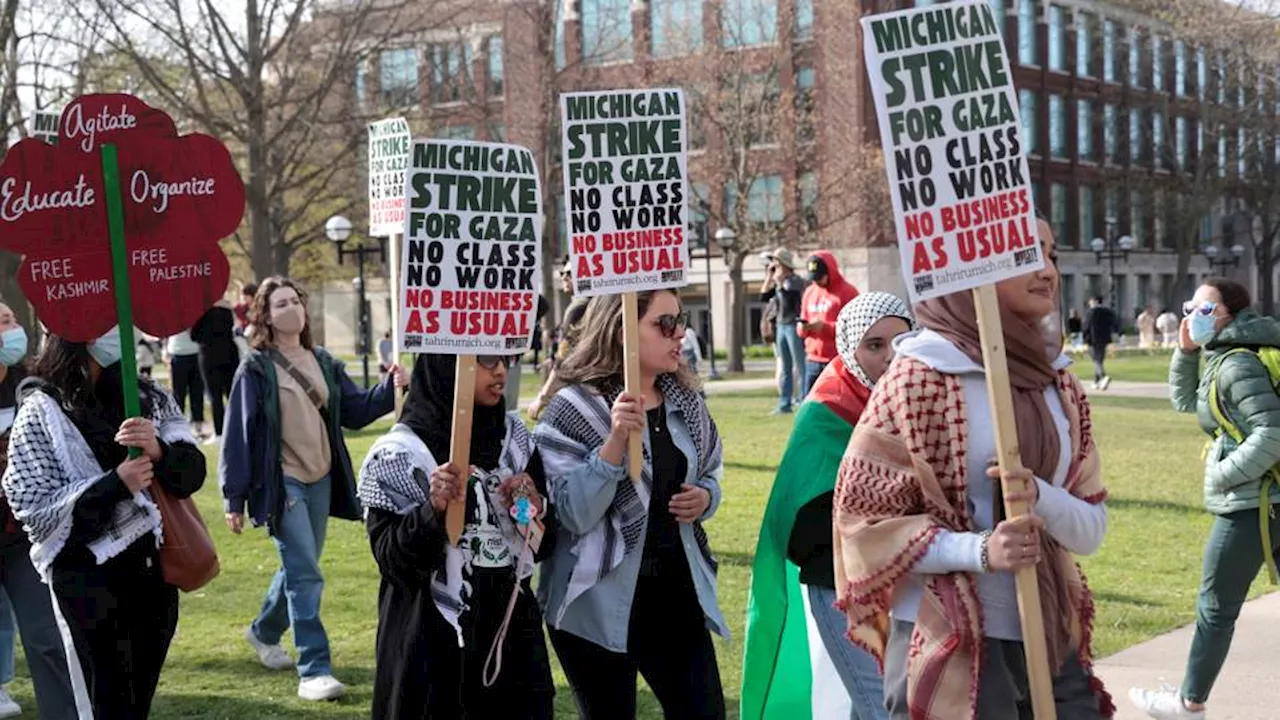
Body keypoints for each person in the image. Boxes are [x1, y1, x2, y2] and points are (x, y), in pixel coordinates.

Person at [834, 220, 1115, 719]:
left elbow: (1090, 530)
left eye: (1051, 255)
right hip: (949, 645)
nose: (1048, 272)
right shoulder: (919, 377)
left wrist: (1039, 497)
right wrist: (981, 550)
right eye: (1028, 255)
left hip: (1049, 636)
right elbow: (863, 528)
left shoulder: (1059, 383)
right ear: (973, 267)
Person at [533, 290, 728, 719]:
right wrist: (616, 443)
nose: (680, 333)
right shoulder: (572, 409)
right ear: (621, 330)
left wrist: (706, 497)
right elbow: (572, 513)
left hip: (676, 595)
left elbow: (711, 467)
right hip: (594, 601)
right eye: (664, 324)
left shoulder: (686, 401)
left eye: (681, 320)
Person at [219, 277, 407, 702]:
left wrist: (392, 387)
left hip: (321, 476)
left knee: (299, 566)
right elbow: (238, 435)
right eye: (281, 303)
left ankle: (263, 631)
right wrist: (234, 497)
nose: (292, 309)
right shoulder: (256, 367)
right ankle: (314, 668)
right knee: (305, 572)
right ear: (266, 315)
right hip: (281, 479)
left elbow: (356, 411)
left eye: (296, 301)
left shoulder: (322, 360)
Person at [3, 326, 206, 718]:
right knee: (104, 703)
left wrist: (160, 450)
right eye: (109, 325)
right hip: (87, 583)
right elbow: (34, 507)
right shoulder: (41, 410)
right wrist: (116, 484)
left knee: (136, 702)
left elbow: (190, 476)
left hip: (151, 579)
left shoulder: (149, 396)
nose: (121, 334)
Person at [743, 292, 914, 720]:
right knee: (885, 706)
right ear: (850, 351)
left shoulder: (917, 399)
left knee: (875, 704)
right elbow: (803, 527)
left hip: (909, 585)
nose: (891, 356)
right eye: (874, 345)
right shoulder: (826, 414)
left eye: (902, 343)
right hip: (842, 587)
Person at [359, 353, 557, 718]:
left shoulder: (514, 442)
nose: (500, 370)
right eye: (485, 359)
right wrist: (433, 510)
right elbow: (392, 560)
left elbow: (539, 544)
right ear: (447, 365)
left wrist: (529, 505)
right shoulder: (399, 455)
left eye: (506, 358)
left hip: (509, 642)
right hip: (431, 652)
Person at [1129, 278, 1280, 720]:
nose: (1194, 313)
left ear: (1230, 315)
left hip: (1252, 504)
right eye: (1191, 306)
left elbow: (1272, 433)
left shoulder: (1236, 364)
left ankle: (1188, 702)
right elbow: (1183, 400)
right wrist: (1187, 350)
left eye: (1204, 308)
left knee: (1215, 607)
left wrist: (1223, 477)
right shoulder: (1225, 354)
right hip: (1266, 498)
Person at [0, 305, 77, 720]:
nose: (10, 331)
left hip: (20, 535)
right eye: (0, 324)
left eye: (10, 321)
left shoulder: (34, 386)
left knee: (46, 635)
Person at [528, 268, 590, 420]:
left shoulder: (578, 308)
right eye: (562, 273)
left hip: (579, 388)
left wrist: (543, 397)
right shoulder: (599, 303)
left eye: (569, 272)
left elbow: (564, 356)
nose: (564, 277)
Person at [799, 251, 859, 394]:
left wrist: (825, 327)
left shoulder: (848, 292)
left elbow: (854, 328)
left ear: (830, 272)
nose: (816, 282)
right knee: (809, 406)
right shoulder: (809, 292)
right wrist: (803, 327)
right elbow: (801, 324)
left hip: (836, 360)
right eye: (813, 278)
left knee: (835, 405)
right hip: (812, 359)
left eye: (820, 277)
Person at [761, 248, 807, 414]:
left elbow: (790, 295)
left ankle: (803, 400)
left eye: (777, 262)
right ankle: (784, 403)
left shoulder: (795, 281)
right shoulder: (777, 281)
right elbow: (764, 297)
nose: (774, 265)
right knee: (786, 367)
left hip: (793, 325)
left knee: (800, 365)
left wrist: (779, 282)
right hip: (780, 326)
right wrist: (769, 277)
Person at [191, 299, 240, 446]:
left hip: (209, 356)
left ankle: (220, 432)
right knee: (232, 395)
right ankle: (237, 429)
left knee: (215, 397)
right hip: (229, 354)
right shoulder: (226, 310)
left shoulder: (199, 313)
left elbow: (194, 336)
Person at [165, 329, 206, 435]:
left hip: (195, 352)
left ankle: (198, 427)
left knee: (197, 392)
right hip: (177, 352)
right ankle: (178, 426)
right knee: (178, 394)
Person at [1083, 295, 1118, 390]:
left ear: (1095, 301)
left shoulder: (1091, 312)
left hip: (1093, 339)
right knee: (1100, 359)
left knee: (1096, 360)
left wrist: (1084, 337)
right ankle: (1096, 381)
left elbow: (1086, 326)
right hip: (1104, 338)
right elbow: (1114, 323)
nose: (1090, 304)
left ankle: (1103, 376)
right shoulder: (1108, 312)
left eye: (1091, 302)